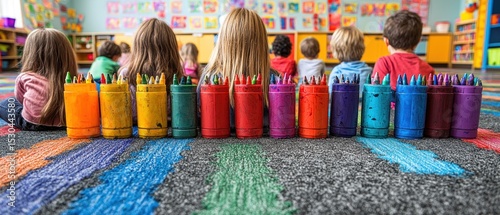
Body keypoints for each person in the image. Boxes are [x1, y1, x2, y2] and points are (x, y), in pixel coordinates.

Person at [197, 8, 278, 130]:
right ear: (262, 43)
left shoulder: (210, 76)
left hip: (216, 141)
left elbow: (198, 115)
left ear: (223, 41)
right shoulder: (275, 79)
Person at [0, 28, 78, 130]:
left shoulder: (25, 77)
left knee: (5, 103)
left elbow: (20, 99)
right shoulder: (75, 79)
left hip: (33, 122)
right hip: (68, 121)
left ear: (31, 55)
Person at [119, 18, 183, 122]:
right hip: (168, 129)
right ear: (171, 48)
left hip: (135, 129)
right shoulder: (176, 73)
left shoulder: (126, 73)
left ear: (137, 47)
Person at [373, 10, 435, 90]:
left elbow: (376, 92)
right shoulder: (428, 68)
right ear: (418, 41)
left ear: (386, 41)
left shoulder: (383, 63)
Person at [329, 26, 372, 96]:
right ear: (362, 47)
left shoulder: (337, 72)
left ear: (336, 49)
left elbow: (331, 99)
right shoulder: (370, 71)